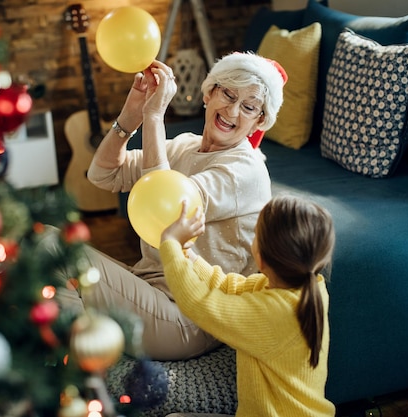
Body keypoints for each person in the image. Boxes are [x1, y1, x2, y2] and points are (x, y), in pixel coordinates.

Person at [61, 52, 287, 360]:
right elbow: (102, 174)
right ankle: (75, 354)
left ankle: (69, 368)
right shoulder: (185, 145)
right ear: (209, 94)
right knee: (51, 240)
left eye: (248, 107)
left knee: (54, 252)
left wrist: (155, 118)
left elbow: (167, 210)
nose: (233, 111)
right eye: (228, 94)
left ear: (259, 121)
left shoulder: (245, 170)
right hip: (149, 286)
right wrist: (132, 114)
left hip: (190, 317)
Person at [160, 194, 336, 417]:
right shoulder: (307, 287)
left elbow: (199, 303)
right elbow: (229, 286)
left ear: (260, 260)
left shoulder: (274, 314)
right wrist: (188, 256)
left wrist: (170, 245)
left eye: (255, 235)